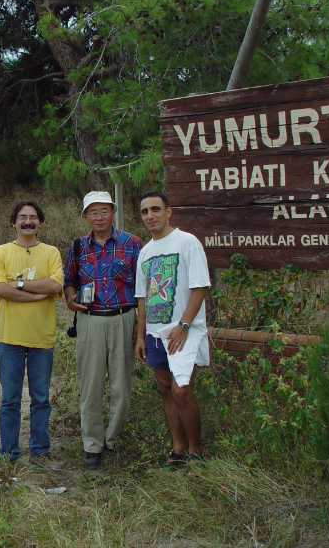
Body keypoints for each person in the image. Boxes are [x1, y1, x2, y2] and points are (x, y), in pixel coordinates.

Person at [63, 191, 142, 470]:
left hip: (124, 317)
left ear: (113, 212)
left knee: (121, 385)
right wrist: (71, 300)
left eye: (104, 211)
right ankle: (92, 444)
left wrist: (139, 327)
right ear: (86, 216)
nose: (99, 217)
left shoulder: (132, 244)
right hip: (90, 320)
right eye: (93, 212)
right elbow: (69, 281)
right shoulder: (77, 247)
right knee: (91, 385)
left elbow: (142, 289)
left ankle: (112, 437)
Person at [134, 191, 210, 467]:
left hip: (184, 330)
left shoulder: (187, 243)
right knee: (166, 388)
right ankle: (178, 449)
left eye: (155, 209)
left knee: (182, 390)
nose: (150, 216)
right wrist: (141, 335)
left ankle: (196, 450)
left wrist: (184, 325)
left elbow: (200, 286)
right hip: (156, 333)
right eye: (144, 211)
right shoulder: (145, 252)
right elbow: (142, 297)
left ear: (169, 212)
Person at [0, 200, 64, 469]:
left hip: (42, 338)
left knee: (41, 398)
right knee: (10, 399)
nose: (28, 221)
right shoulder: (1, 252)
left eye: (33, 217)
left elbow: (55, 284)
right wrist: (36, 296)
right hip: (9, 337)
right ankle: (9, 452)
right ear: (13, 222)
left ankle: (40, 450)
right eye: (22, 217)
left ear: (40, 223)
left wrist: (17, 284)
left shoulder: (51, 252)